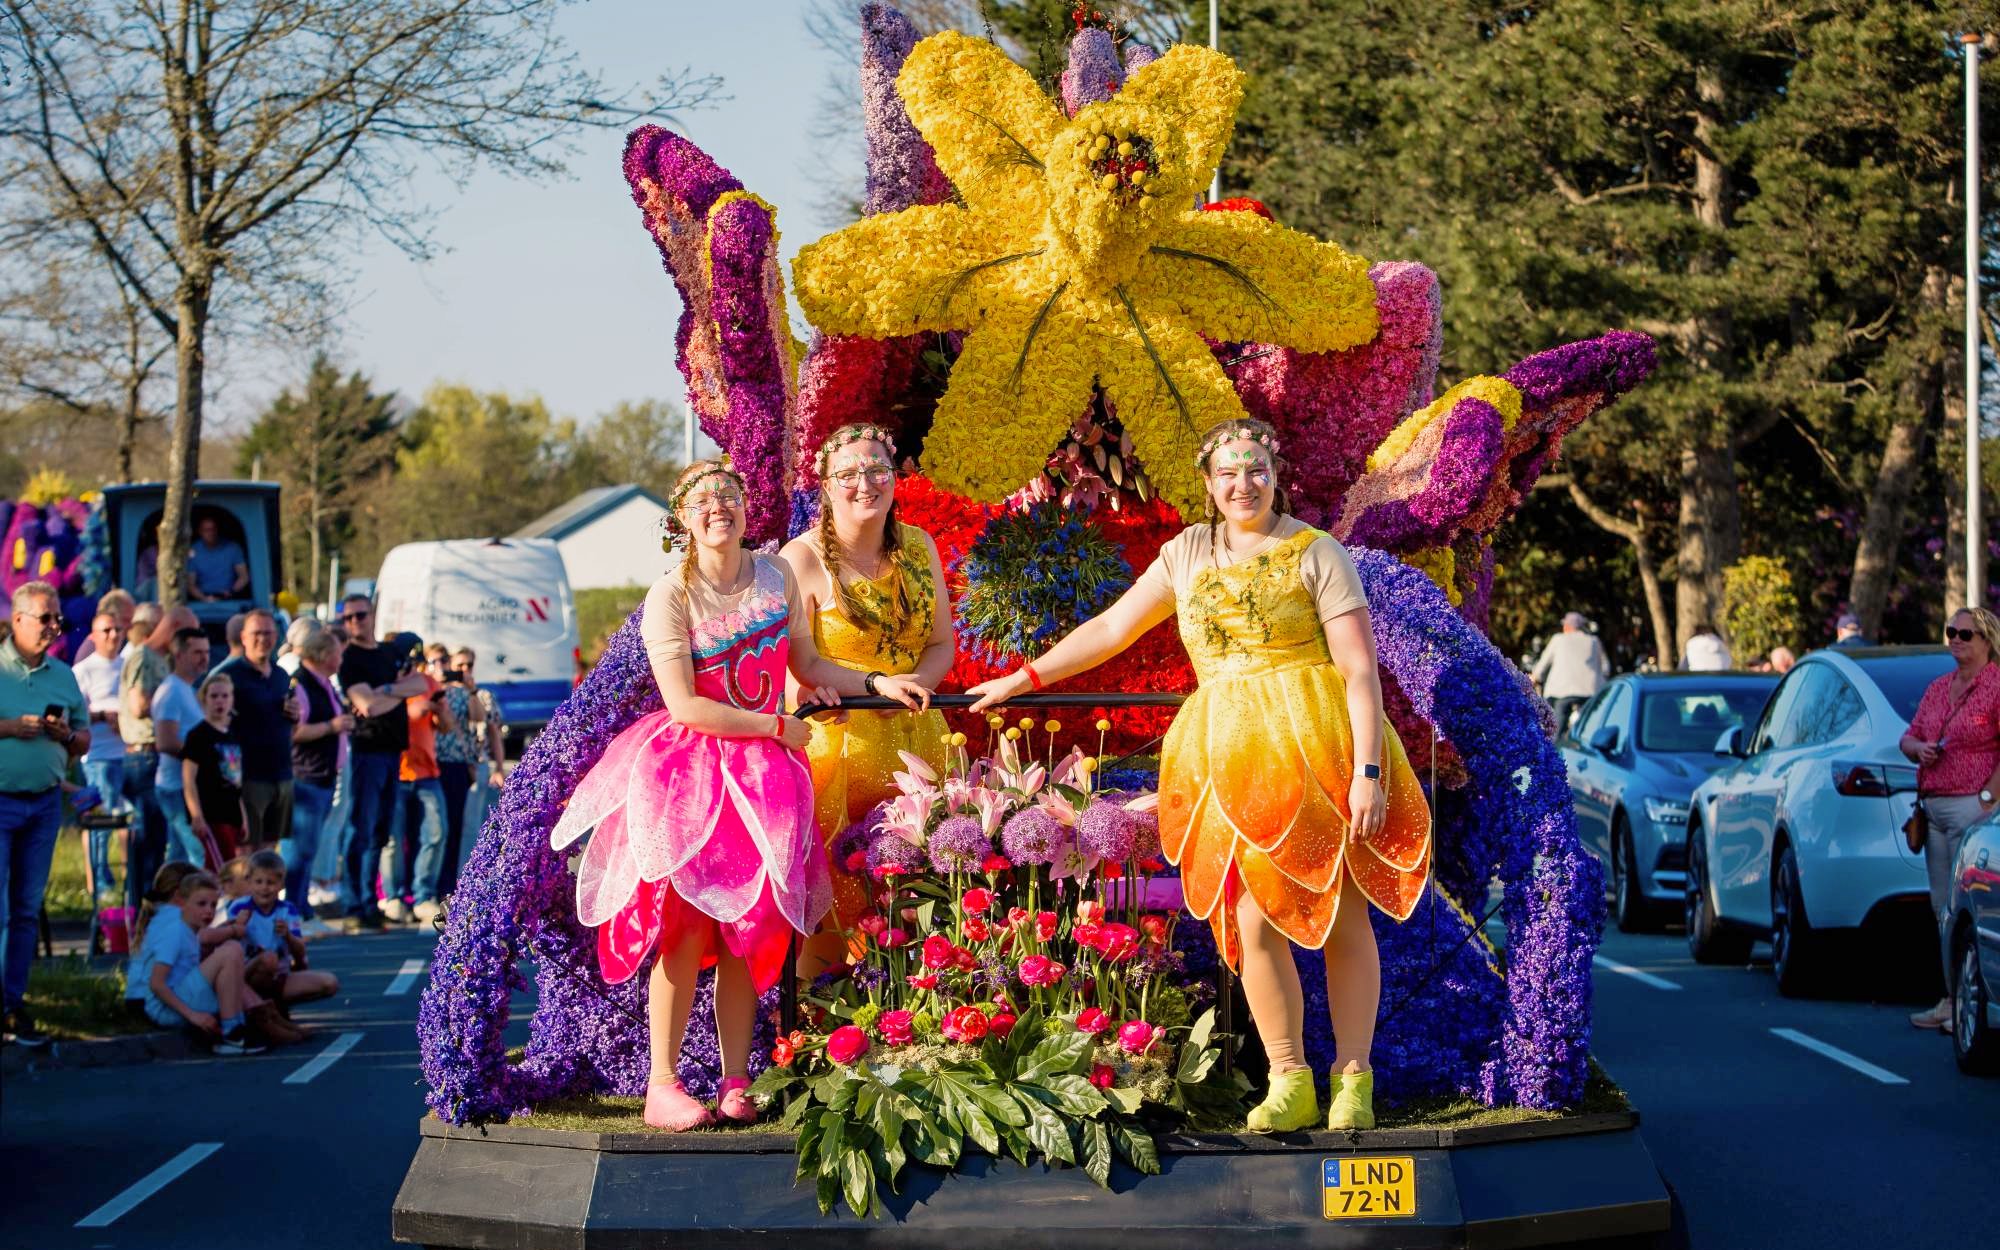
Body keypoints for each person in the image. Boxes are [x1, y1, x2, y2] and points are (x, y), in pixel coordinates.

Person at [967, 420, 1431, 1132]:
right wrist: (1022, 678)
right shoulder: (1185, 554)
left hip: (1317, 745)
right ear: (1208, 485)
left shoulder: (1316, 552)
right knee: (1247, 918)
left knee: (1338, 911)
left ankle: (1354, 1078)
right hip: (1226, 752)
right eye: (1228, 474)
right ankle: (1288, 1078)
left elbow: (1360, 671)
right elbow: (1111, 629)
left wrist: (1368, 772)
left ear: (1275, 474)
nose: (1243, 485)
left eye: (1256, 470)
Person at [547, 456, 912, 1131]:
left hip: (767, 780)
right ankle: (663, 1084)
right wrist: (777, 726)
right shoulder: (671, 594)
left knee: (750, 931)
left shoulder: (775, 576)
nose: (720, 508)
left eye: (730, 496)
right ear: (682, 520)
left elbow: (807, 666)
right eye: (704, 501)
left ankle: (736, 1079)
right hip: (689, 777)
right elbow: (685, 706)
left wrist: (876, 682)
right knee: (682, 932)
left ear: (746, 510)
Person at [779, 424, 948, 976]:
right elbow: (800, 663)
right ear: (825, 485)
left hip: (920, 740)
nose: (865, 484)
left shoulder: (919, 547)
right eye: (847, 474)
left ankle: (916, 1024)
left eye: (877, 470)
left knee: (925, 897)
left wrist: (918, 682)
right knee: (837, 897)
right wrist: (878, 684)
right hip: (842, 746)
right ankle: (820, 1036)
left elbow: (942, 642)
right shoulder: (800, 559)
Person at [1899, 606, 2000, 1031]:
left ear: (1987, 641)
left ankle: (1972, 1002)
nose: (1956, 640)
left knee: (1971, 910)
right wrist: (1918, 749)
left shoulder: (1995, 685)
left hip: (1971, 807)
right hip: (1934, 806)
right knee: (1942, 906)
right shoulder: (1939, 688)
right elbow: (1908, 736)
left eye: (1966, 634)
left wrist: (1987, 797)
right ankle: (1952, 999)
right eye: (1951, 632)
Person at [0, 582, 90, 1048]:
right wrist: (11, 728)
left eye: (58, 619)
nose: (55, 627)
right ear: (17, 620)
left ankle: (12, 1004)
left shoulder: (63, 674)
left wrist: (64, 735)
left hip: (43, 803)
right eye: (45, 619)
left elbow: (84, 738)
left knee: (24, 909)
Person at [336, 597, 430, 927]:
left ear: (372, 614)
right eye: (347, 617)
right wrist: (395, 692)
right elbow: (367, 706)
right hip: (366, 750)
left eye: (360, 615)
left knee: (380, 831)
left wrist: (384, 689)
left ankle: (369, 903)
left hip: (393, 752)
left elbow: (421, 683)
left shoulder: (389, 653)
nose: (354, 622)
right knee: (361, 827)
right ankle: (354, 903)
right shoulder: (349, 659)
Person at [128, 867, 265, 1054]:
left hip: (179, 996)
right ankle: (232, 1033)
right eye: (201, 904)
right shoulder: (175, 931)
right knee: (231, 950)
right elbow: (156, 984)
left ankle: (240, 1027)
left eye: (213, 905)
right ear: (182, 901)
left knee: (230, 958)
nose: (209, 911)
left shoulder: (189, 929)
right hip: (164, 1009)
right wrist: (194, 1016)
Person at [119, 604, 193, 914]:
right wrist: (173, 707)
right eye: (186, 634)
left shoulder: (159, 659)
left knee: (160, 842)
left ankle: (155, 912)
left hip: (156, 759)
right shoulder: (144, 657)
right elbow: (138, 704)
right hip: (145, 757)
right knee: (149, 846)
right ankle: (142, 917)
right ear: (172, 626)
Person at [216, 608, 295, 851]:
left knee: (270, 850)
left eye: (269, 633)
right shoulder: (229, 676)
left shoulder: (281, 675)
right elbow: (217, 728)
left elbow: (289, 723)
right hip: (248, 777)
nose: (263, 639)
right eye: (257, 633)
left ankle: (263, 891)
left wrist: (295, 716)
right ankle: (245, 892)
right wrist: (230, 781)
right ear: (243, 638)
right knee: (245, 850)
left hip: (281, 774)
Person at [288, 622, 349, 929]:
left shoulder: (323, 682)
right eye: (337, 653)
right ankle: (295, 910)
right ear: (323, 654)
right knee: (301, 849)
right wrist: (332, 727)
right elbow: (295, 731)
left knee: (309, 848)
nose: (341, 659)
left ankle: (302, 910)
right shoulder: (300, 683)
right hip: (307, 776)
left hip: (324, 775)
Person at [227, 849, 338, 1011]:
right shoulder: (239, 907)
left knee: (330, 983)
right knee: (268, 959)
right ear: (249, 882)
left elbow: (300, 951)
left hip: (280, 976)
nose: (264, 888)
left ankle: (278, 1006)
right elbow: (228, 945)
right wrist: (238, 927)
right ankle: (260, 1010)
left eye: (270, 882)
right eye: (258, 882)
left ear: (281, 885)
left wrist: (287, 936)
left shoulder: (288, 910)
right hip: (248, 976)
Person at [392, 642, 453, 924]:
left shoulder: (427, 683)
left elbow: (446, 724)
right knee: (393, 839)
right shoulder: (389, 683)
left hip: (427, 770)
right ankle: (393, 896)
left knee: (435, 832)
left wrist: (438, 708)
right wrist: (418, 707)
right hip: (398, 770)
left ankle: (423, 894)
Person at [72, 612, 131, 898]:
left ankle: (131, 882)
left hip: (129, 753)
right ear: (93, 635)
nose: (113, 635)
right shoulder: (83, 671)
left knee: (130, 820)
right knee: (102, 822)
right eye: (106, 630)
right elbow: (74, 715)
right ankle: (101, 886)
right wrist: (101, 715)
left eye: (118, 629)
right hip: (97, 756)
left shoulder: (128, 665)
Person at [153, 628, 215, 868]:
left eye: (207, 652)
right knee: (199, 854)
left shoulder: (187, 689)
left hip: (187, 785)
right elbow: (165, 742)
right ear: (178, 655)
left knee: (178, 860)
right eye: (197, 652)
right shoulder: (171, 691)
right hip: (175, 786)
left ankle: (169, 903)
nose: (204, 658)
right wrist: (205, 758)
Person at [428, 644, 481, 901]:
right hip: (429, 764)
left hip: (455, 764)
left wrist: (471, 689)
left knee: (452, 827)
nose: (444, 667)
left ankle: (446, 884)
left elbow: (480, 717)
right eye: (436, 661)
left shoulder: (460, 695)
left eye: (445, 661)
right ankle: (424, 884)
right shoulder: (425, 689)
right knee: (432, 828)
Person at [181, 670, 246, 865]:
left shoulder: (232, 733)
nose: (220, 701)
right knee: (220, 869)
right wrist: (196, 815)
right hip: (211, 814)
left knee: (233, 866)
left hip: (232, 812)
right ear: (204, 700)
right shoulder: (198, 735)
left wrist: (243, 816)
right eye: (214, 696)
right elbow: (189, 780)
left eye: (225, 696)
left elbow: (236, 781)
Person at [1529, 611, 1608, 733]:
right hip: (1590, 692)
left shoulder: (1558, 639)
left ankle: (1556, 747)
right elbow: (1606, 667)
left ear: (1567, 626)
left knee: (1557, 728)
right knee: (1588, 727)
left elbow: (1543, 664)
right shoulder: (1593, 641)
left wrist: (1534, 678)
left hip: (1562, 692)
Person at [188, 514, 249, 602]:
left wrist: (231, 591)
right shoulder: (192, 551)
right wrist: (204, 598)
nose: (211, 533)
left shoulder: (233, 548)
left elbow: (244, 577)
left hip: (231, 598)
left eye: (213, 529)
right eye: (206, 530)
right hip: (202, 599)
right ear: (200, 532)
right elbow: (190, 584)